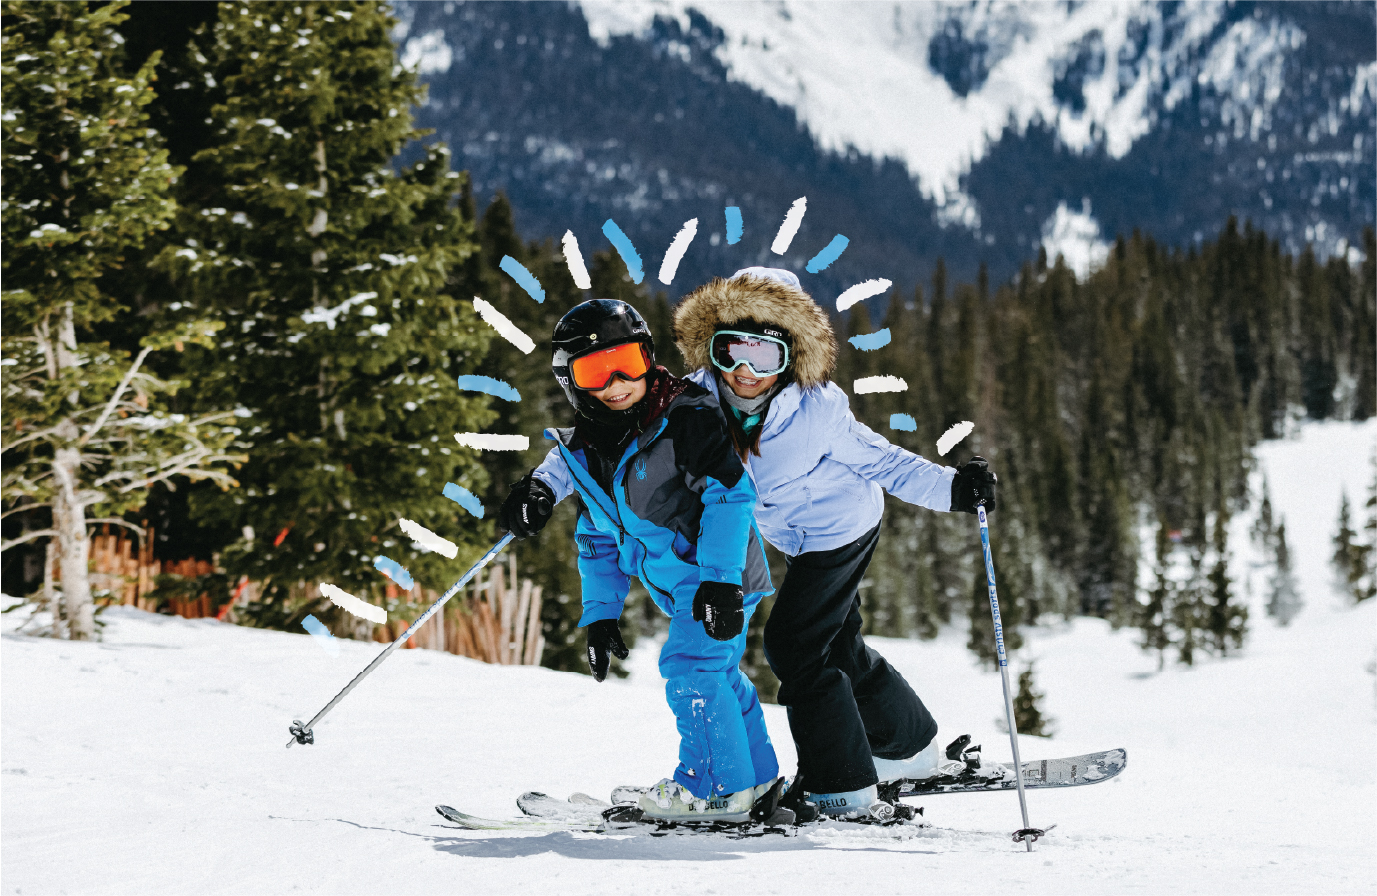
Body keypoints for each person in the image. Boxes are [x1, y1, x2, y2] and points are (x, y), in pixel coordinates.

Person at [672, 267, 998, 817]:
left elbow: (886, 461)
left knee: (794, 645)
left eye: (765, 357)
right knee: (839, 647)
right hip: (792, 539)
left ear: (791, 356)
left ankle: (839, 784)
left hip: (841, 529)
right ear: (711, 349)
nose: (746, 372)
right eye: (731, 352)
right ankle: (909, 748)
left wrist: (955, 490)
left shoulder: (817, 409)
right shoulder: (698, 402)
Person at [496, 298, 780, 823]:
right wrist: (601, 613)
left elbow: (731, 496)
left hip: (717, 577)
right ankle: (754, 780)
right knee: (719, 676)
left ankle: (715, 791)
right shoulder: (591, 449)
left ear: (649, 356)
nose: (618, 381)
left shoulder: (687, 418)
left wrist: (720, 582)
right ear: (572, 382)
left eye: (628, 360)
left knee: (692, 670)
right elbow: (597, 534)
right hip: (687, 587)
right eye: (596, 371)